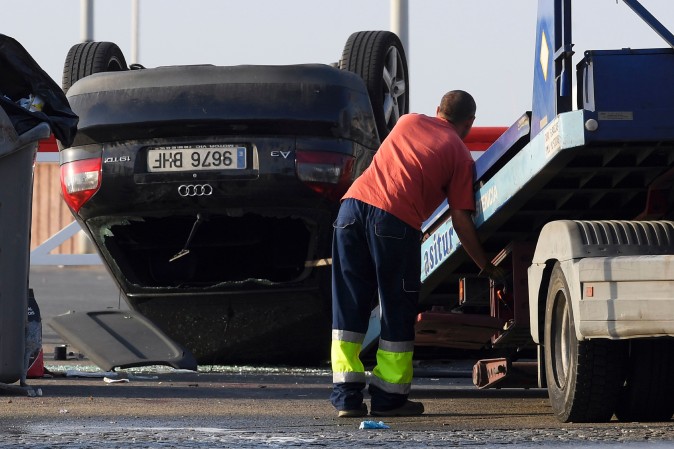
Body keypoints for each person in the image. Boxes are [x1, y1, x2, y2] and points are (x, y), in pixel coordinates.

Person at [330, 90, 505, 418]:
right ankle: (388, 397)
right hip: (394, 221)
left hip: (350, 211)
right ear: (470, 123)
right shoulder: (459, 154)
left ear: (438, 109)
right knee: (396, 307)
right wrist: (484, 264)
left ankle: (346, 398)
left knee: (349, 306)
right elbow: (461, 218)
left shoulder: (407, 121)